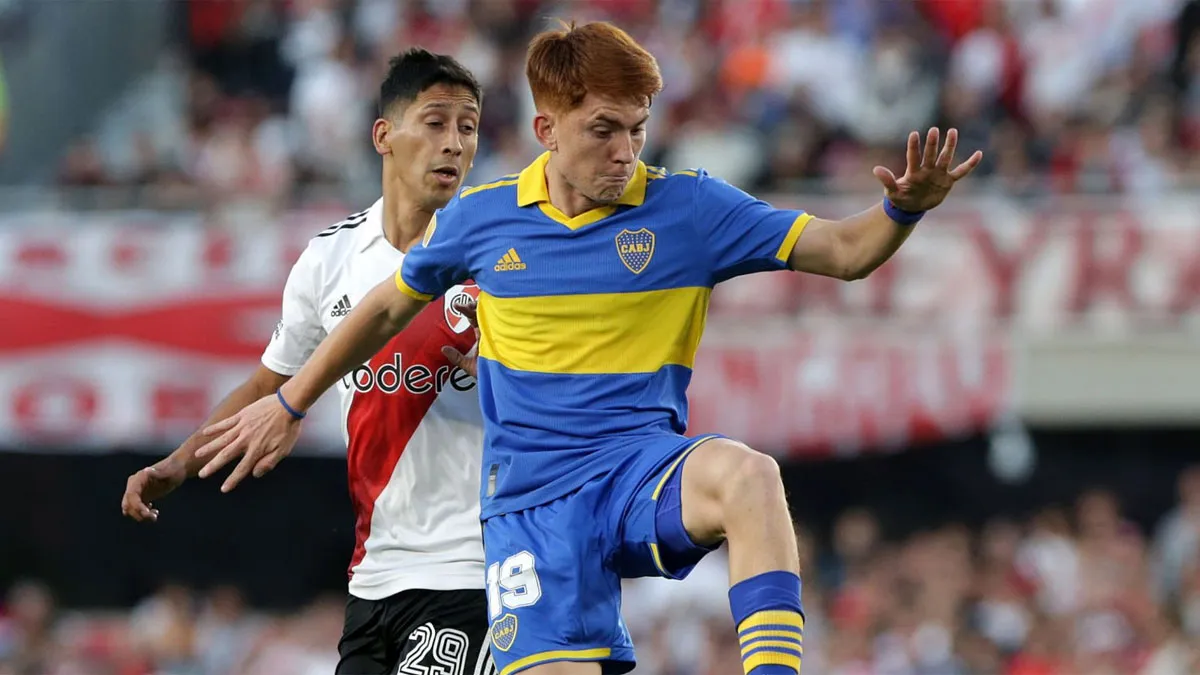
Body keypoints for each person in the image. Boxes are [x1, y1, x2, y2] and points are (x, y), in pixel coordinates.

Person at [193, 21, 983, 675]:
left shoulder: (690, 208)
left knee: (750, 475)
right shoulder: (484, 219)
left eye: (636, 129)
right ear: (547, 129)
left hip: (639, 468)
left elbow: (845, 251)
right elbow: (380, 311)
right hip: (531, 511)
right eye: (603, 130)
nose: (624, 151)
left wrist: (901, 210)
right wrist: (291, 402)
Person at [120, 49, 496, 675]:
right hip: (373, 575)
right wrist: (180, 464)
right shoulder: (330, 258)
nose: (455, 143)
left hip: (468, 566)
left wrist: (499, 370)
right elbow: (271, 382)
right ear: (384, 135)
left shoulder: (492, 255)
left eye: (468, 126)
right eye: (436, 122)